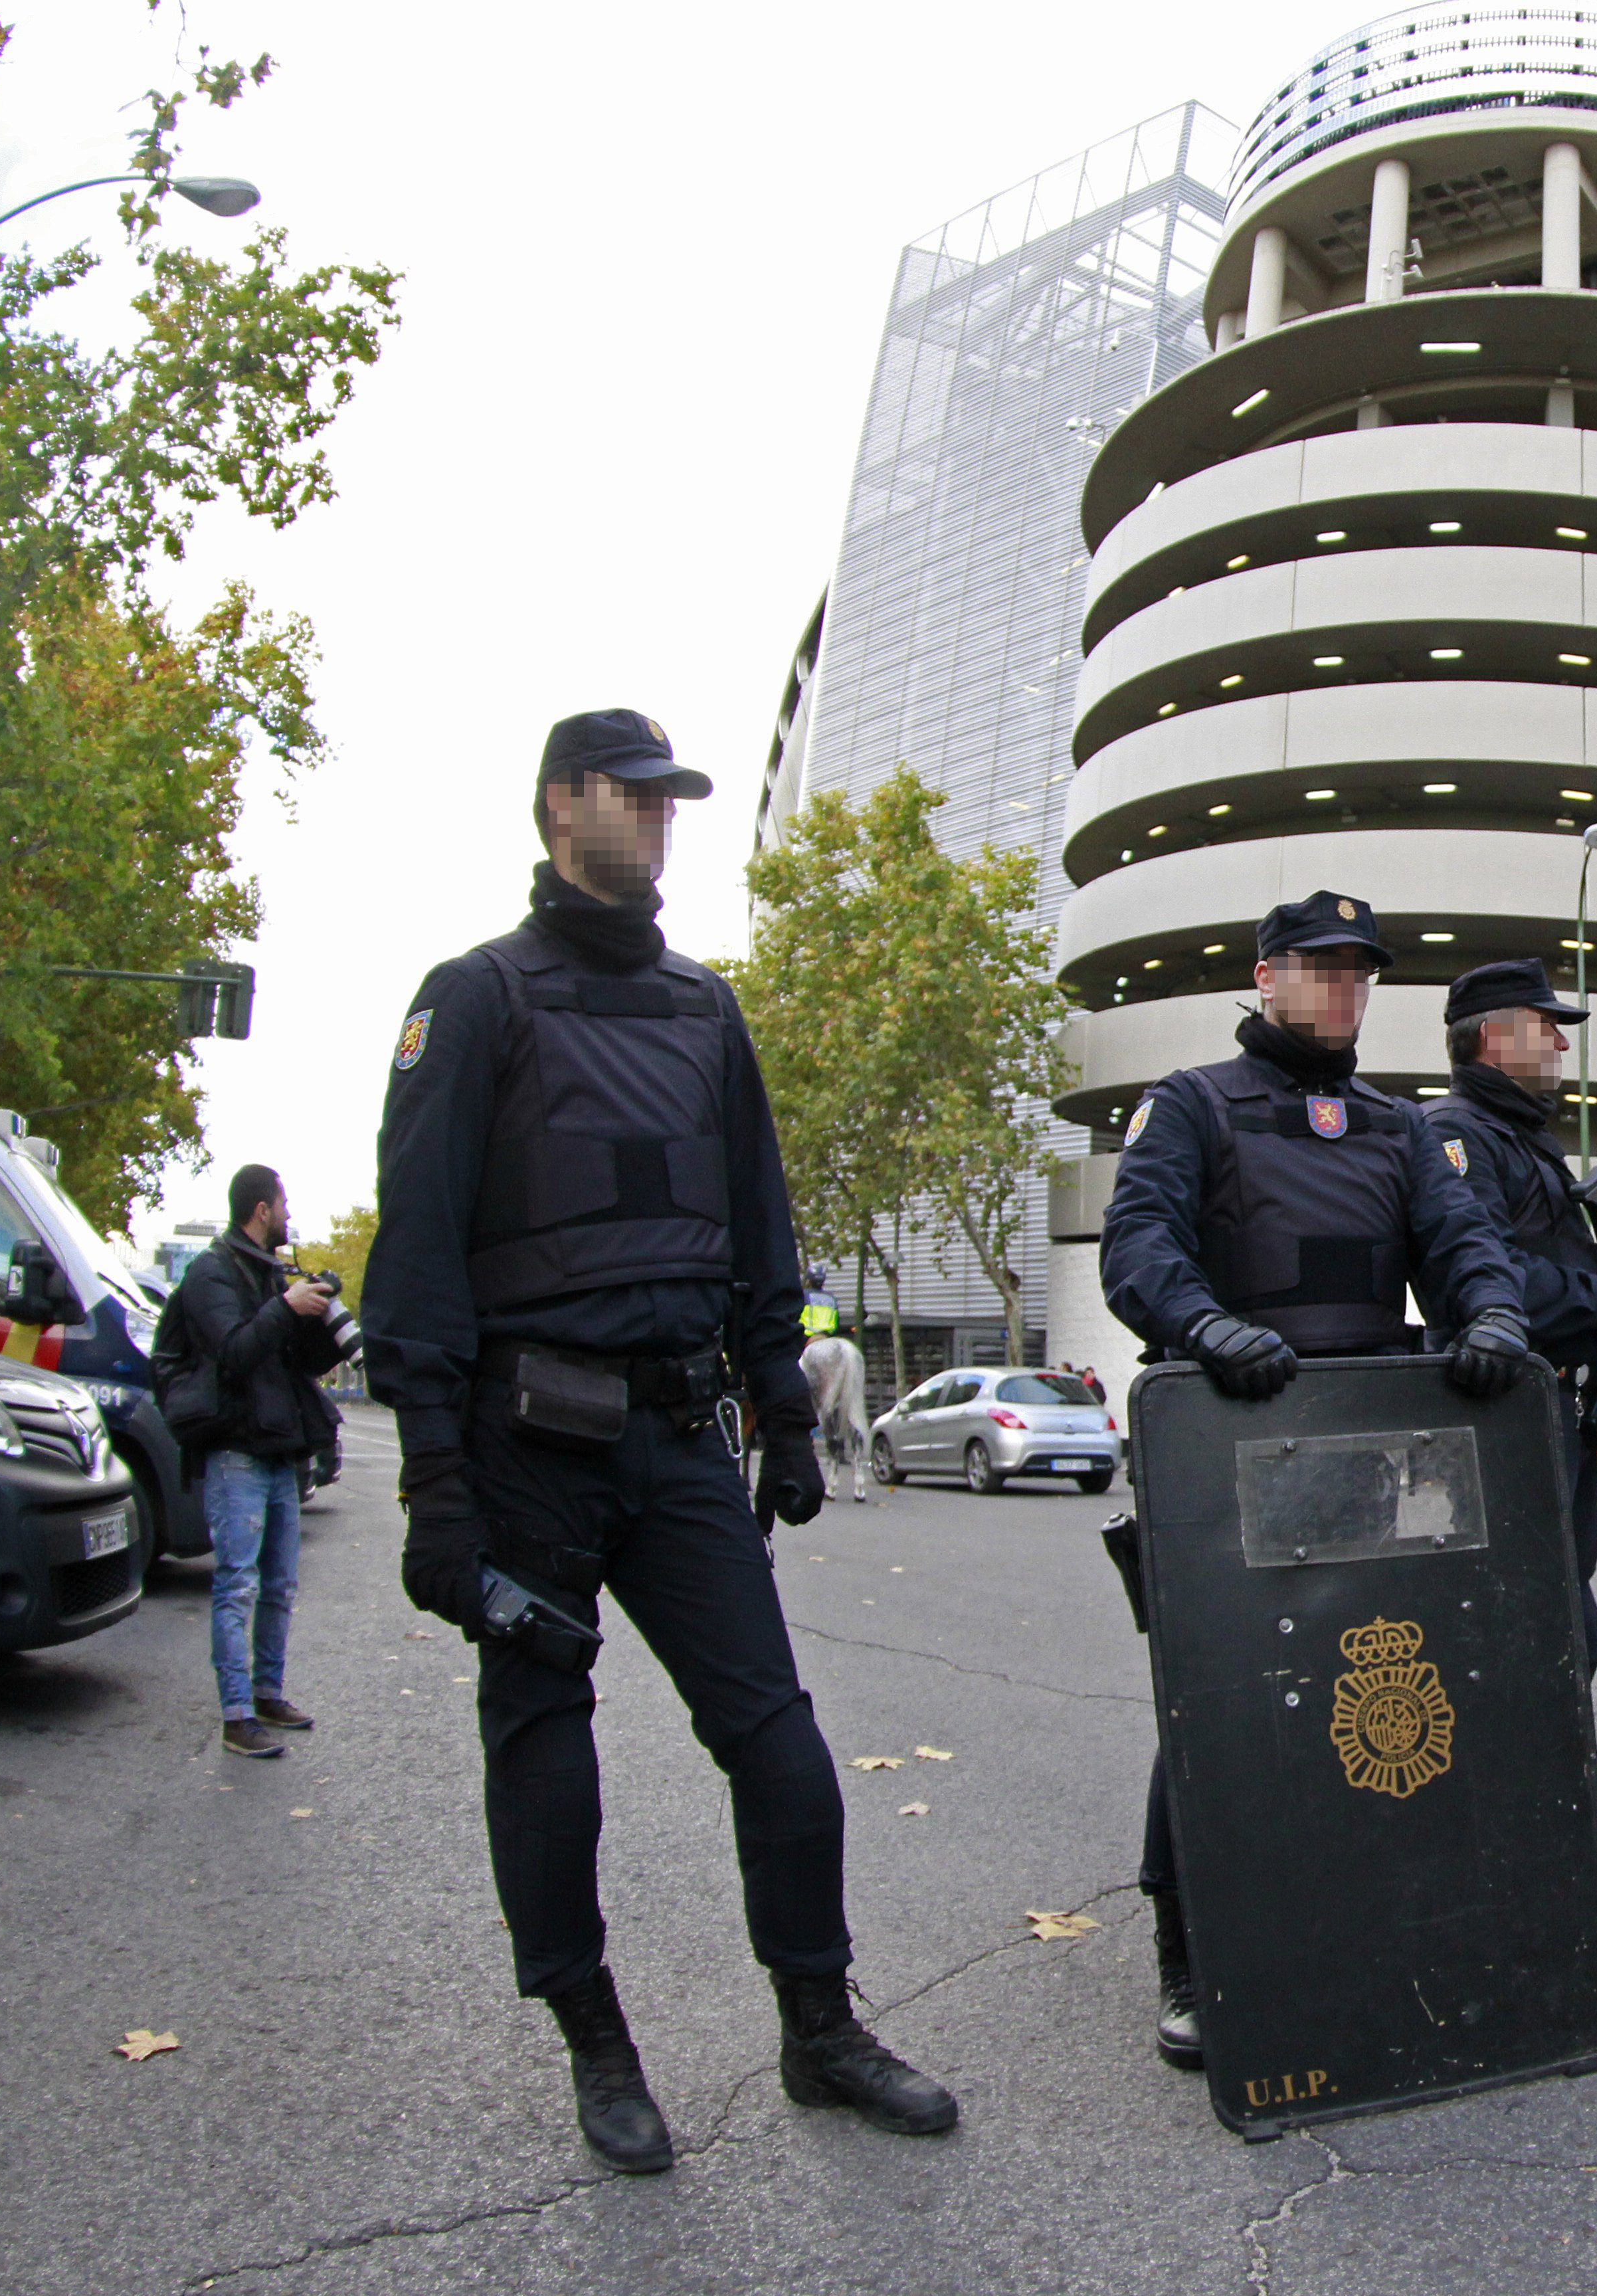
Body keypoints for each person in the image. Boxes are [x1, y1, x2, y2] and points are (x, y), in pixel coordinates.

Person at [366, 708, 953, 2175]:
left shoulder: (705, 1010)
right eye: (634, 796)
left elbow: (763, 1227)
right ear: (561, 804)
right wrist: (435, 1491)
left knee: (782, 1745)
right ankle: (598, 2046)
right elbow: (421, 1260)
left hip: (684, 1437)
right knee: (548, 1754)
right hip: (525, 1449)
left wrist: (782, 1413)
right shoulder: (478, 998)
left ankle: (818, 2031)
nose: (660, 820)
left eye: (672, 800)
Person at [1096, 887, 1531, 2071]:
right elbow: (1138, 1249)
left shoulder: (1395, 1126)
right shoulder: (1191, 1106)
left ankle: (1350, 1917)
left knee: (1383, 1682)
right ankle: (1186, 1945)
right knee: (1222, 1697)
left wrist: (1489, 1315)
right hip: (1234, 1434)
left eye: (1360, 974)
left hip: (1375, 1449)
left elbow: (1460, 1243)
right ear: (1266, 974)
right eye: (1321, 969)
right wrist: (1203, 1327)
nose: (1343, 992)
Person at [1420, 957, 1597, 1866]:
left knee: (1560, 1615)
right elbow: (1479, 1282)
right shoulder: (1457, 1135)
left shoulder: (1517, 1137)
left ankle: (1557, 1801)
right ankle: (1515, 1815)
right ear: (1492, 1035)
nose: (1563, 1042)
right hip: (1500, 1417)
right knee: (1530, 1620)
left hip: (1547, 1410)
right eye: (1545, 1025)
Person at [159, 1163, 347, 1758]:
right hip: (235, 1450)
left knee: (280, 1585)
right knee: (238, 1583)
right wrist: (285, 1306)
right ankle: (236, 1715)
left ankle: (267, 1692)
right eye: (283, 1204)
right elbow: (235, 1352)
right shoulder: (210, 1273)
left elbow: (292, 1362)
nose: (289, 1215)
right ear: (262, 1210)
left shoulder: (270, 1275)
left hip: (277, 1447)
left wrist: (314, 1316)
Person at [800, 1308, 872, 1503]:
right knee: (853, 1409)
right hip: (831, 1339)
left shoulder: (806, 1298)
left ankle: (832, 1480)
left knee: (804, 1387)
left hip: (810, 1341)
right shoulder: (829, 1300)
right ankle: (859, 1482)